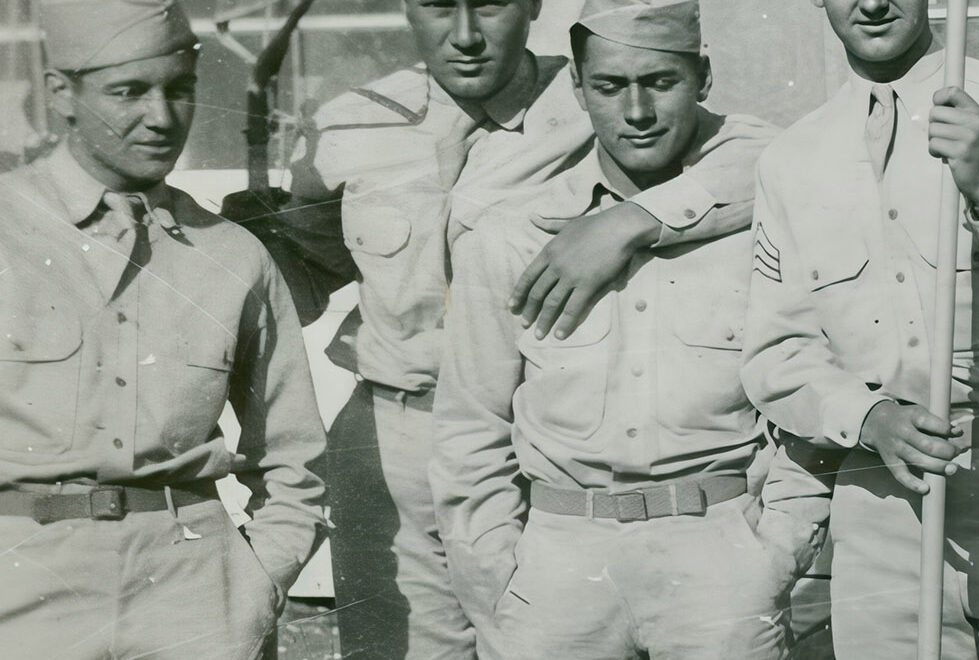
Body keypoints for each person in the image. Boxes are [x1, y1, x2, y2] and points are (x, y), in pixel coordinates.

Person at [222, 0, 764, 655]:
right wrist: (254, 246)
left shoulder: (598, 95)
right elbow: (308, 278)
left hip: (545, 442)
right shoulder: (349, 124)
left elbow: (764, 158)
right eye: (439, 7)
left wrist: (632, 219)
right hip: (394, 440)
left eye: (492, 5)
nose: (467, 36)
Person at [430, 1, 828, 657]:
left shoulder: (767, 220)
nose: (636, 112)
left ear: (702, 78)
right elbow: (469, 431)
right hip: (556, 568)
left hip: (721, 556)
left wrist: (779, 548)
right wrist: (498, 585)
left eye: (661, 83)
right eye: (611, 86)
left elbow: (806, 388)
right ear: (580, 90)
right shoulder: (513, 236)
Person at [740, 0, 979, 656]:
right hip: (877, 498)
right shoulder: (791, 159)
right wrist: (868, 416)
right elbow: (776, 353)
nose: (875, 3)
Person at [0, 1, 326, 658]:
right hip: (23, 590)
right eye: (129, 92)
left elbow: (294, 457)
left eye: (180, 90)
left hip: (195, 596)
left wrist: (256, 586)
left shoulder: (230, 254)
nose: (162, 117)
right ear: (62, 93)